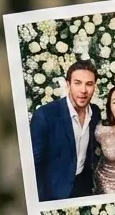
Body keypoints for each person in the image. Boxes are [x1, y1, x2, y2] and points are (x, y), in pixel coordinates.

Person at [30, 59, 102, 202]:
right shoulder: (45, 115)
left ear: (94, 86)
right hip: (55, 193)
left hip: (84, 187)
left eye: (89, 84)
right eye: (77, 83)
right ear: (68, 84)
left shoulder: (95, 112)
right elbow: (34, 166)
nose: (83, 90)